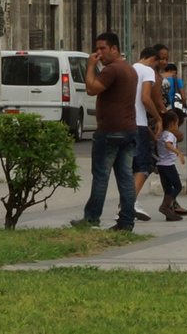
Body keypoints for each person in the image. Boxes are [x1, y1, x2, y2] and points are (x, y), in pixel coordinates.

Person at [76, 32, 140, 232]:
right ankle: (127, 221)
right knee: (126, 177)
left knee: (101, 176)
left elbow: (92, 89)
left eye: (103, 48)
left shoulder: (112, 70)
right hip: (129, 130)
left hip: (110, 131)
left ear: (114, 48)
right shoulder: (129, 69)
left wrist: (90, 66)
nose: (98, 53)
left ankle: (92, 218)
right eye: (97, 49)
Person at [129, 44, 164, 221]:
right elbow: (145, 98)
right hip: (139, 124)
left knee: (128, 167)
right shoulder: (147, 71)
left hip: (125, 123)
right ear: (152, 59)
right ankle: (128, 204)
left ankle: (127, 202)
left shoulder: (129, 69)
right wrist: (158, 118)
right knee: (143, 166)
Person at [154, 108, 187, 220]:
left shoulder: (162, 134)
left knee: (168, 189)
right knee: (177, 186)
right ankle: (165, 206)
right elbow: (167, 144)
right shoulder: (169, 135)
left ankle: (169, 212)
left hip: (160, 164)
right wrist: (178, 152)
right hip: (168, 165)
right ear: (173, 123)